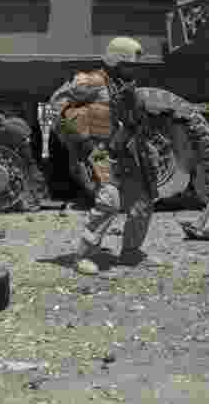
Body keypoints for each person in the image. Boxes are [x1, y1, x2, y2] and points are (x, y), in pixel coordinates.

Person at [50, 37, 158, 276]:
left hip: (125, 149)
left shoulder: (127, 88)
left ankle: (131, 253)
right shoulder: (92, 82)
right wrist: (81, 141)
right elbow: (57, 105)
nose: (134, 70)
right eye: (130, 65)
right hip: (97, 151)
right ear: (115, 62)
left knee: (143, 200)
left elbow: (136, 122)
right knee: (109, 201)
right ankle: (84, 255)